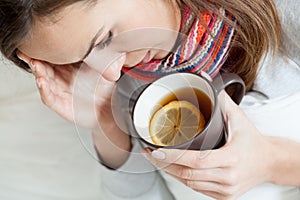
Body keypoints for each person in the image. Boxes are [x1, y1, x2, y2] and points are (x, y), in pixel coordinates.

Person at [1, 0, 300, 199]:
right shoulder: (114, 84)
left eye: (105, 39)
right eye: (81, 61)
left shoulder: (284, 15)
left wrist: (272, 163)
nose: (112, 71)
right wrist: (104, 123)